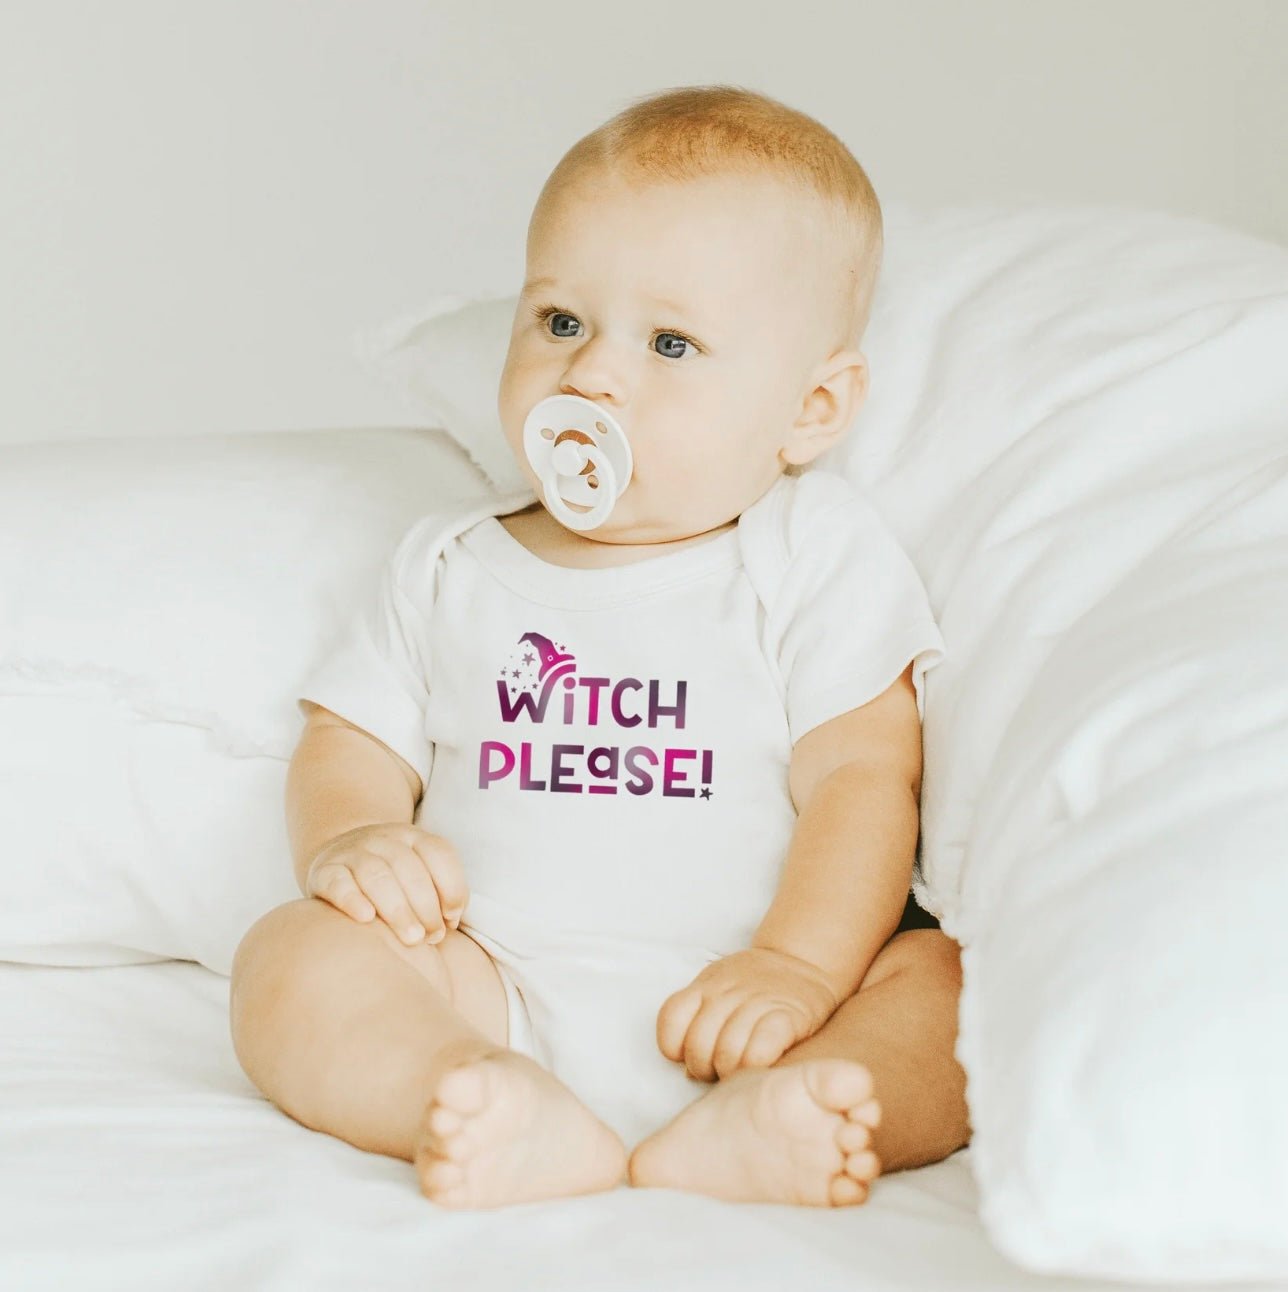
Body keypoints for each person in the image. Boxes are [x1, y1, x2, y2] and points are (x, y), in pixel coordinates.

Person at [229, 84, 970, 1211]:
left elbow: (864, 782)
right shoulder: (451, 563)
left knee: (948, 983)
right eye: (560, 322)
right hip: (488, 985)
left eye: (671, 342)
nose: (590, 376)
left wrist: (799, 968)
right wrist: (354, 837)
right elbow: (350, 738)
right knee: (290, 955)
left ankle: (774, 1115)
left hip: (769, 1001)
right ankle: (465, 1093)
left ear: (812, 407)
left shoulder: (809, 553)